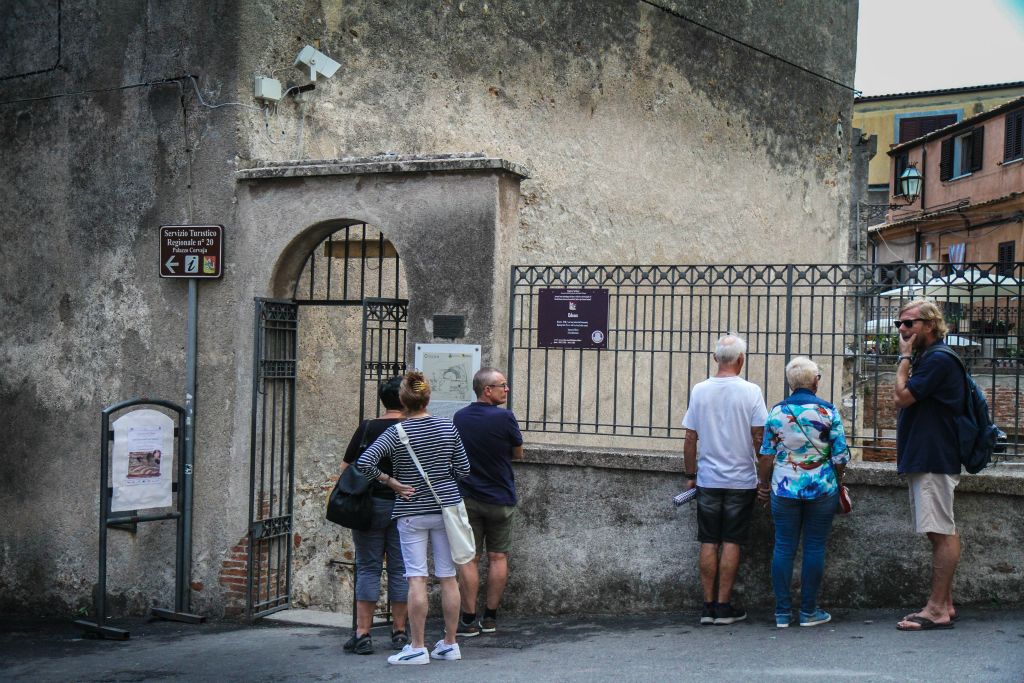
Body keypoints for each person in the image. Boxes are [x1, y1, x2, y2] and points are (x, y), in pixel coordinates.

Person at [356, 371, 471, 665]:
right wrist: (444, 481)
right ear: (428, 397)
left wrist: (391, 482)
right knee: (448, 577)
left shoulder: (396, 432)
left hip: (411, 510)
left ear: (404, 401)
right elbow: (464, 470)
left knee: (416, 577)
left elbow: (365, 462)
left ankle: (418, 646)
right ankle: (450, 642)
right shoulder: (448, 428)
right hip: (445, 509)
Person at [682, 333, 768, 626]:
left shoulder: (699, 390)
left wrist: (691, 475)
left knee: (708, 539)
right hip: (741, 480)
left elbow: (690, 437)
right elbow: (760, 437)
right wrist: (763, 477)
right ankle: (723, 606)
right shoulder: (752, 391)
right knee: (731, 540)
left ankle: (707, 607)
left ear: (715, 358)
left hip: (708, 478)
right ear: (741, 360)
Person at [757, 357, 849, 628]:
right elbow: (841, 455)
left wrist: (764, 485)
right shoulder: (828, 412)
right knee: (814, 547)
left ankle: (782, 613)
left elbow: (765, 455)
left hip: (784, 489)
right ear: (815, 381)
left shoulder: (776, 413)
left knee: (783, 547)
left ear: (790, 383)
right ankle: (809, 611)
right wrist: (838, 481)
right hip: (822, 489)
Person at [892, 299, 963, 631]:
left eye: (909, 323)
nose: (903, 330)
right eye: (900, 324)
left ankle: (935, 609)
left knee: (941, 532)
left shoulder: (936, 360)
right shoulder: (931, 358)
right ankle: (944, 604)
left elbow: (901, 397)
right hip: (928, 455)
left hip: (934, 457)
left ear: (930, 325)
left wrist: (904, 358)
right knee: (939, 533)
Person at [339, 377, 408, 655]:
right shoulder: (412, 427)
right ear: (405, 399)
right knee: (401, 569)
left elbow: (346, 468)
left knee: (368, 567)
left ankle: (363, 634)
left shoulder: (368, 427)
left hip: (371, 505)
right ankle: (400, 633)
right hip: (405, 506)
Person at [452, 368, 523, 637]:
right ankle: (490, 618)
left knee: (469, 559)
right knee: (498, 556)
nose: (506, 389)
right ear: (487, 390)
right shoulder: (505, 418)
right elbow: (518, 453)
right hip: (501, 498)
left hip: (468, 497)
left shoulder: (459, 417)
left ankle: (468, 621)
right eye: (502, 385)